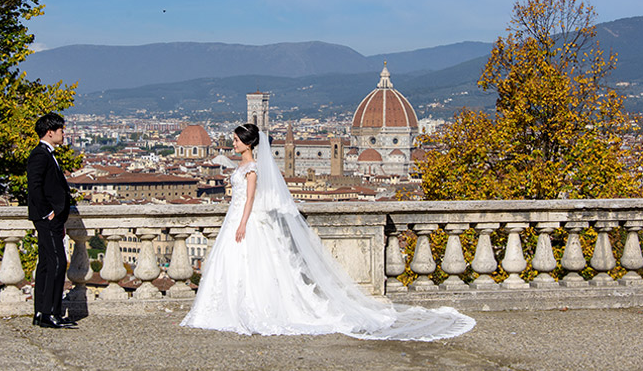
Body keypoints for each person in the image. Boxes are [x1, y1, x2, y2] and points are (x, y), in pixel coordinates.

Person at [181, 123, 475, 341]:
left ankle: (246, 310)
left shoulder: (254, 169)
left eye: (235, 140)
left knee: (254, 266)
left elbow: (252, 198)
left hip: (244, 221)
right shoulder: (244, 166)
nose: (232, 143)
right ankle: (226, 309)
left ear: (248, 143)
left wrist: (243, 223)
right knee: (237, 266)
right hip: (236, 219)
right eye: (232, 139)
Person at [27, 112, 77, 329]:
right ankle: (51, 313)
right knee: (57, 262)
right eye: (61, 130)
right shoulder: (40, 155)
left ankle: (41, 312)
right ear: (50, 132)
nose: (63, 134)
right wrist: (48, 211)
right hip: (47, 219)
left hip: (49, 218)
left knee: (47, 264)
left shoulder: (46, 154)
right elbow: (34, 186)